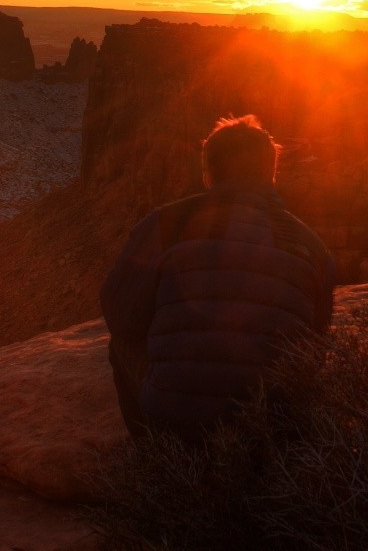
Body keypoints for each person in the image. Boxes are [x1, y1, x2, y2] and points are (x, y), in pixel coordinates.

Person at [99, 114, 337, 438]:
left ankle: (150, 453)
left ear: (208, 173)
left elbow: (121, 314)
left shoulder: (167, 222)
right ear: (272, 174)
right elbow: (316, 344)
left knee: (121, 342)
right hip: (272, 429)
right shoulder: (313, 246)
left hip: (177, 427)